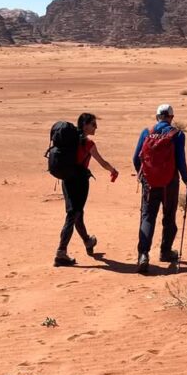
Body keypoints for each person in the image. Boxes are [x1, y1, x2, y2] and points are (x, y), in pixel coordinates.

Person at [133, 104, 187, 274]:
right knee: (169, 217)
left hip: (150, 184)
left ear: (157, 116)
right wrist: (186, 179)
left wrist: (143, 175)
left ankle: (143, 255)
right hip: (170, 184)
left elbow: (135, 158)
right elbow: (181, 160)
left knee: (148, 217)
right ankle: (165, 251)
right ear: (171, 118)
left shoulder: (147, 132)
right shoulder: (177, 134)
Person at [55, 112, 119, 267]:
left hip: (67, 180)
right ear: (85, 125)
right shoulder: (88, 143)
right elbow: (102, 162)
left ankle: (88, 241)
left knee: (77, 213)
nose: (96, 127)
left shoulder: (70, 141)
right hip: (80, 182)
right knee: (73, 214)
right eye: (93, 124)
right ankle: (61, 252)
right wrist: (113, 170)